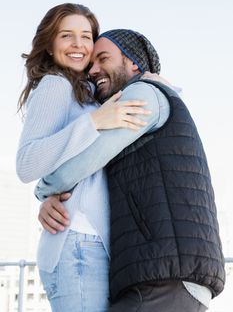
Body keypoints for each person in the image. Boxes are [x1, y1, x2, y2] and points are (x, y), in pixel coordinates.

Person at [36, 29, 225, 312]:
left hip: (166, 280)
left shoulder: (143, 94)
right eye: (90, 65)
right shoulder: (155, 96)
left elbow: (89, 157)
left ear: (134, 62)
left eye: (103, 59)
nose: (93, 70)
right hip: (164, 278)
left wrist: (43, 190)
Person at [16, 4, 153, 312]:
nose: (78, 45)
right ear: (50, 46)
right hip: (77, 244)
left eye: (86, 36)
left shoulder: (88, 92)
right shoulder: (55, 85)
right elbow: (27, 163)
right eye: (67, 36)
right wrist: (94, 122)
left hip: (95, 245)